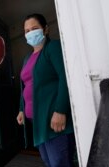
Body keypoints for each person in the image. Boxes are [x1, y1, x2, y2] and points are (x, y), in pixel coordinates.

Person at [16, 13, 76, 167]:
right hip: (36, 121)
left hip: (53, 118)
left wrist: (61, 110)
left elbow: (65, 78)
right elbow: (25, 86)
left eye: (34, 28)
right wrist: (22, 109)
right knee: (48, 161)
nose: (30, 33)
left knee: (59, 162)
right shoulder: (27, 58)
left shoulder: (53, 48)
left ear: (46, 29)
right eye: (27, 30)